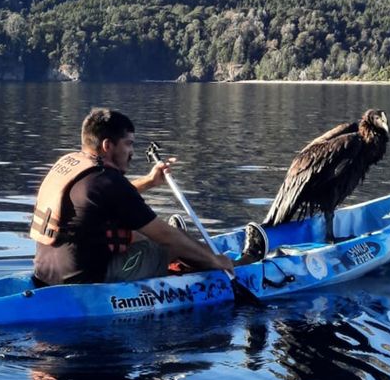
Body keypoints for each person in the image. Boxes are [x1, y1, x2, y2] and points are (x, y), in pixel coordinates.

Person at [30, 108, 236, 286]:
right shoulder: (108, 181)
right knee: (173, 242)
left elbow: (106, 199)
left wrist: (149, 181)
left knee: (140, 234)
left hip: (45, 273)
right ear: (107, 146)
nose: (132, 152)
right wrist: (215, 260)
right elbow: (164, 235)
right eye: (128, 144)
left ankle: (189, 261)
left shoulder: (72, 166)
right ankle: (222, 267)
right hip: (85, 280)